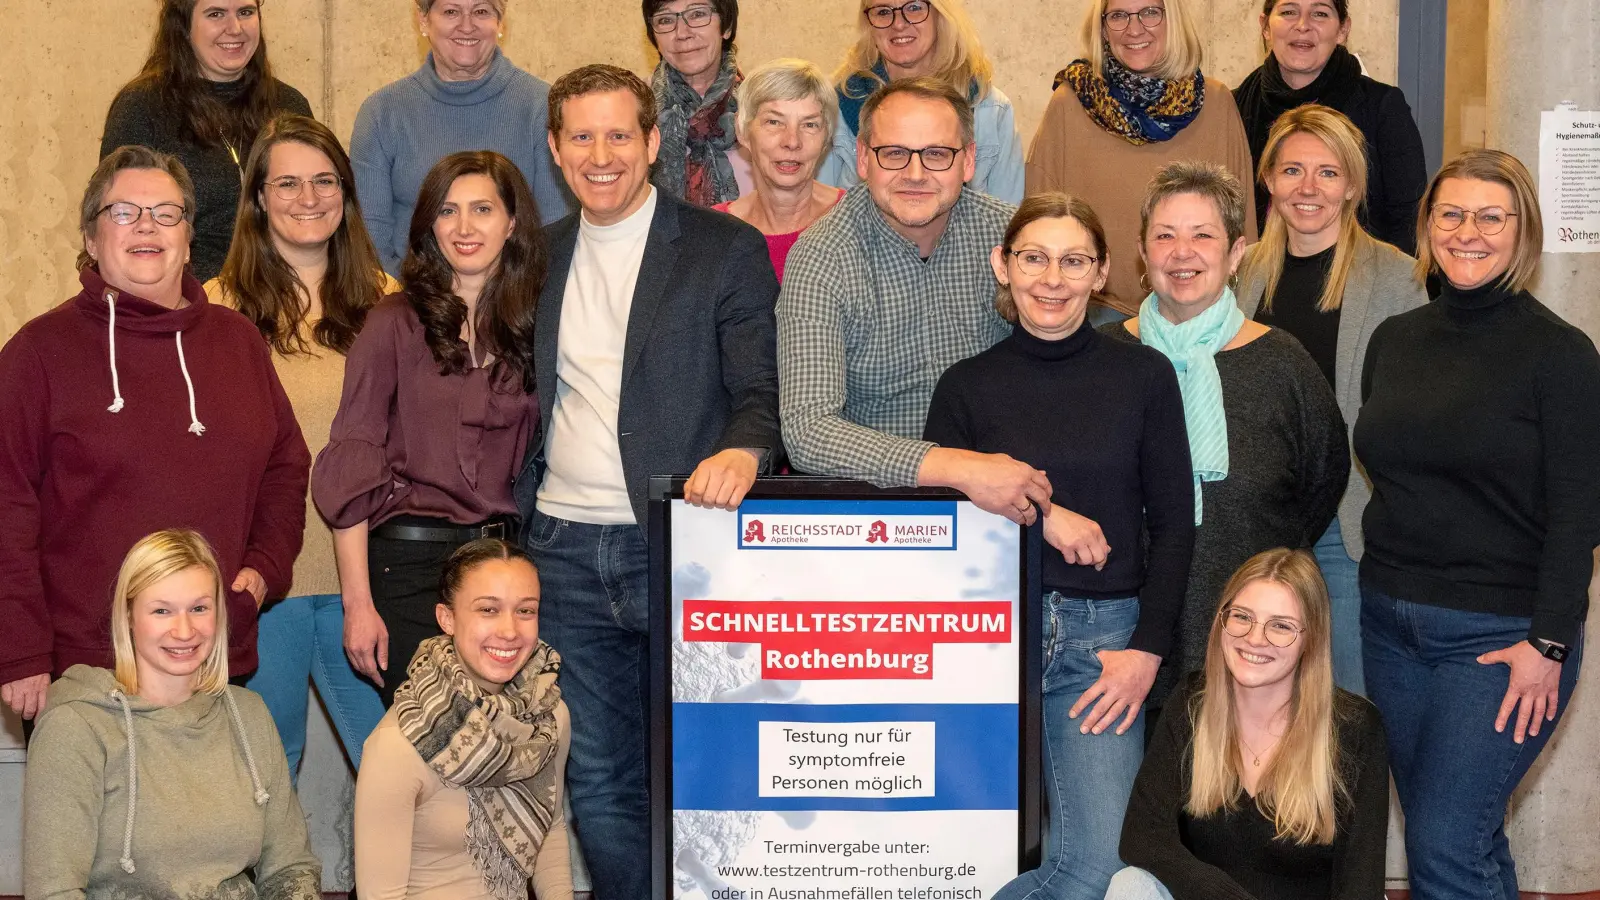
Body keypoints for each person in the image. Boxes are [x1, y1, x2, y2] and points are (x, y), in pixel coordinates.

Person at [516, 63, 779, 900]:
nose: (602, 154)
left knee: (706, 772)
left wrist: (745, 451)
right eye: (581, 136)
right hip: (559, 551)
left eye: (619, 134)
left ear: (653, 142)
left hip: (680, 546)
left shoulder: (722, 248)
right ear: (556, 150)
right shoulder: (536, 258)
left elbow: (763, 392)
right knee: (598, 784)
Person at [923, 193, 1195, 900]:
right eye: (1033, 257)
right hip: (983, 642)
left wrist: (1146, 652)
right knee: (953, 864)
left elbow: (1173, 524)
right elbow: (940, 527)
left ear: (1101, 270)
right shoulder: (965, 387)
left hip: (1099, 647)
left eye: (1073, 260)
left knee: (1100, 868)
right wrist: (1044, 513)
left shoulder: (1143, 376)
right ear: (1002, 266)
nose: (1052, 278)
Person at [1355, 149, 1600, 900]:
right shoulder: (1395, 339)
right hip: (1390, 630)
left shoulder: (1560, 354)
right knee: (1467, 838)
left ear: (1521, 232)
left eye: (1491, 216)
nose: (1469, 232)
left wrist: (1548, 644)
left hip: (1501, 638)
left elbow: (1578, 514)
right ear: (1428, 226)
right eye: (1451, 213)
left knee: (1444, 848)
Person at [0, 146, 309, 724]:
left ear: (188, 240)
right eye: (124, 213)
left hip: (212, 662)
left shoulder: (237, 341)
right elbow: (6, 504)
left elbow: (286, 466)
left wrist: (264, 569)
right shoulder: (38, 354)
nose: (147, 226)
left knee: (218, 818)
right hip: (86, 675)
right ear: (91, 239)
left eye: (167, 214)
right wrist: (19, 648)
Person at [1102, 160, 1347, 707]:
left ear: (1236, 253)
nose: (1181, 252)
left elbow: (1323, 480)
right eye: (1164, 235)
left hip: (1251, 651)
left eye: (1202, 235)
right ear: (1143, 252)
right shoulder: (1105, 359)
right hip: (1119, 648)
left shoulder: (1282, 364)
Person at [313, 150, 543, 709]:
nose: (464, 227)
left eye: (482, 209)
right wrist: (358, 604)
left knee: (500, 752)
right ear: (429, 226)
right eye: (447, 211)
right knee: (428, 754)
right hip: (408, 572)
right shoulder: (391, 322)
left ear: (512, 223)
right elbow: (352, 468)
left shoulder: (537, 322)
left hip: (503, 572)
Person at [207, 114, 393, 775]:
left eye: (323, 180)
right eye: (286, 182)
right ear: (257, 197)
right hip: (263, 584)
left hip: (368, 581)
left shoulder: (391, 305)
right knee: (264, 768)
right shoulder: (210, 312)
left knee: (396, 766)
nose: (307, 197)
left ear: (346, 192)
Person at [779, 77, 1051, 526]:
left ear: (968, 162)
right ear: (863, 159)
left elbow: (1066, 377)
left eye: (937, 154)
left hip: (1010, 506)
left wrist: (1046, 503)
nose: (916, 174)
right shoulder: (821, 255)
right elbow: (808, 431)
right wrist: (959, 468)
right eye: (895, 153)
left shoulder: (1014, 240)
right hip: (876, 515)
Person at [1234, 105, 1426, 695]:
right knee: (1258, 702)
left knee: (1346, 705)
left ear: (1352, 185)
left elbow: (1415, 416)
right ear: (1267, 179)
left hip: (1348, 531)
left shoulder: (1401, 278)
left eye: (1328, 172)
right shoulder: (1239, 277)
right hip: (1257, 521)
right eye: (1292, 170)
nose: (1308, 188)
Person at [24, 529, 320, 899]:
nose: (184, 631)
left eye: (199, 608)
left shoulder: (249, 714)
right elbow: (54, 891)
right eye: (162, 610)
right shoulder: (76, 728)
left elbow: (290, 867)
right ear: (130, 616)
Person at [1107, 548, 1389, 900]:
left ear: (1310, 639)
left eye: (1281, 626)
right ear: (1222, 620)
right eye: (1242, 617)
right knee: (1132, 884)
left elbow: (1360, 883)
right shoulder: (1191, 703)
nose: (1255, 638)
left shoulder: (1355, 727)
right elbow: (1141, 835)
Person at [355, 538, 571, 900]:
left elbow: (552, 830)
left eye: (525, 611)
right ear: (447, 618)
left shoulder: (549, 717)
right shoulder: (397, 745)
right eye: (488, 610)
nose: (509, 631)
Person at [1027, 0, 1257, 319]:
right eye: (1119, 15)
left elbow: (1243, 228)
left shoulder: (1217, 105)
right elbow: (1037, 228)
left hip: (1198, 316)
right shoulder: (1068, 106)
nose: (1134, 29)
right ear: (1103, 29)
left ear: (1172, 20)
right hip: (1094, 320)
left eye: (1150, 12)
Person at [351, 0, 571, 276]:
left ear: (500, 22)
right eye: (451, 11)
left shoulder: (542, 108)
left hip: (518, 305)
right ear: (423, 20)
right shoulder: (381, 113)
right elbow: (370, 238)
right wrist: (414, 306)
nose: (467, 26)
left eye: (481, 11)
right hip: (411, 302)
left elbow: (555, 233)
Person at [101, 0, 314, 282]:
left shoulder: (289, 104)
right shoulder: (142, 107)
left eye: (246, 12)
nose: (235, 28)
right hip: (183, 303)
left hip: (284, 294)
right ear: (184, 26)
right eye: (216, 14)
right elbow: (119, 228)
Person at [1233, 0, 1427, 253]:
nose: (1303, 26)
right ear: (1265, 26)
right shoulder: (1234, 106)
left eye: (1320, 13)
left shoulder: (1382, 107)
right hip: (1257, 280)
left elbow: (1409, 219)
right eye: (1289, 12)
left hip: (1361, 279)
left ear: (1343, 29)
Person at [820, 0, 1024, 203]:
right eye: (883, 11)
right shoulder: (836, 108)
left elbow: (1008, 224)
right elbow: (820, 217)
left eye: (914, 7)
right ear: (869, 24)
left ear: (941, 15)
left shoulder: (991, 110)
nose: (898, 24)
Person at [712, 58, 845, 282]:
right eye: (774, 122)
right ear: (742, 131)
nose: (792, 141)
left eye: (809, 124)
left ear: (826, 138)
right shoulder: (713, 231)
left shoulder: (858, 220)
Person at [645, 0, 753, 206]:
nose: (682, 33)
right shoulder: (636, 111)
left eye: (697, 14)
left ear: (727, 27)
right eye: (665, 20)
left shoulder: (762, 110)